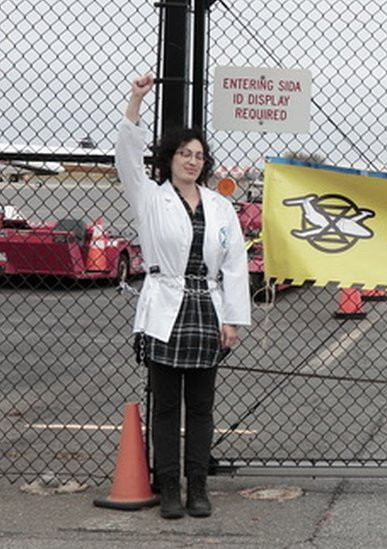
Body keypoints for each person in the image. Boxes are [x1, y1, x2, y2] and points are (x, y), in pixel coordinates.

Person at [116, 73, 251, 519]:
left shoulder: (219, 206)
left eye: (199, 156)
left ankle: (198, 488)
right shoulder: (150, 198)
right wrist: (136, 101)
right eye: (184, 153)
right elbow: (127, 158)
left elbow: (233, 264)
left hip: (204, 307)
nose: (192, 161)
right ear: (170, 158)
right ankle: (168, 487)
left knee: (201, 406)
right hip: (166, 305)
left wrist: (230, 319)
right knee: (166, 405)